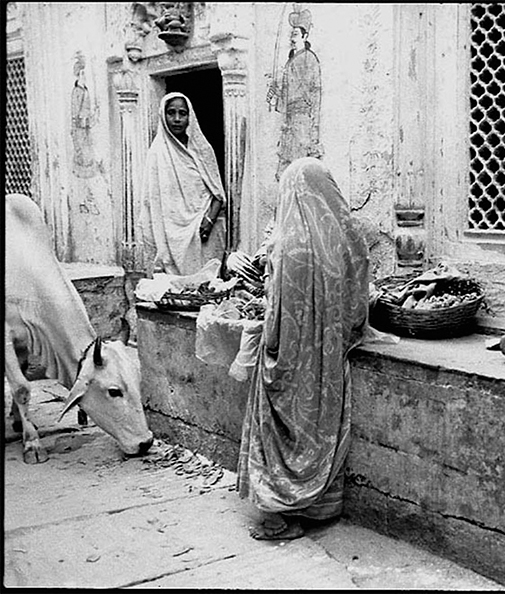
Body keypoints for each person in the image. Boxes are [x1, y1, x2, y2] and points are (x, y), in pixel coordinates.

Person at [237, 157, 370, 540]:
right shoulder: (345, 240)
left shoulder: (287, 243)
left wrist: (272, 350)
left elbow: (276, 308)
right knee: (320, 426)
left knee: (282, 432)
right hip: (326, 358)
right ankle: (318, 507)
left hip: (290, 355)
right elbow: (357, 299)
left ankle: (279, 515)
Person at [139, 92, 226, 275]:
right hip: (169, 234)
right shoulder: (157, 153)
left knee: (206, 286)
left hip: (204, 231)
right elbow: (152, 202)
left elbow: (218, 194)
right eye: (171, 113)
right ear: (163, 115)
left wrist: (209, 220)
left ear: (190, 116)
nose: (177, 119)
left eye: (182, 113)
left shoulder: (202, 149)